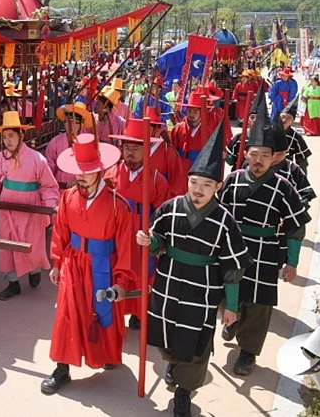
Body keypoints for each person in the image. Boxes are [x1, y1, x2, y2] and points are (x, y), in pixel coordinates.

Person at [137, 122, 250, 417]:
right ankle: (174, 364)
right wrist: (148, 242)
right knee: (167, 336)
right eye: (194, 182)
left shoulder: (226, 222)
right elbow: (158, 242)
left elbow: (233, 268)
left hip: (203, 291)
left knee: (196, 342)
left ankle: (184, 394)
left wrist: (232, 306)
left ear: (218, 187)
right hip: (168, 285)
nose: (198, 190)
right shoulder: (170, 208)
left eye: (206, 185)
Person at [218, 104, 309, 376]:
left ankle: (248, 352)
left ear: (274, 158)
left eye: (265, 156)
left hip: (266, 252)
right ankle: (232, 320)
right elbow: (219, 216)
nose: (258, 160)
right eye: (254, 154)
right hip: (233, 250)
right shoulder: (232, 181)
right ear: (245, 154)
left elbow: (295, 226)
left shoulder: (284, 186)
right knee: (228, 290)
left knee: (258, 304)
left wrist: (292, 263)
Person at [40, 133, 134, 395]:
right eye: (78, 171)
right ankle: (62, 368)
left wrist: (121, 280)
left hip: (104, 265)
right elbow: (60, 231)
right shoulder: (68, 196)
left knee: (103, 313)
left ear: (101, 171)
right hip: (73, 264)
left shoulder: (119, 205)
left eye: (88, 171)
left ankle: (106, 353)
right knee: (67, 315)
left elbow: (126, 247)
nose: (81, 176)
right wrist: (57, 262)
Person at [0, 111, 59, 298]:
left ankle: (34, 271)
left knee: (31, 242)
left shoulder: (37, 159)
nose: (8, 141)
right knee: (8, 244)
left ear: (21, 136)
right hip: (7, 205)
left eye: (12, 136)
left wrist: (51, 206)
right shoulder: (0, 158)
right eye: (5, 137)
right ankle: (12, 282)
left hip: (31, 206)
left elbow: (48, 186)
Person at [108, 117, 170, 330]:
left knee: (143, 273)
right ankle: (119, 310)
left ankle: (140, 313)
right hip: (117, 233)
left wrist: (155, 237)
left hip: (142, 233)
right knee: (118, 271)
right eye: (127, 148)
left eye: (136, 148)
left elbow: (163, 213)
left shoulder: (156, 179)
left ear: (146, 150)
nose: (130, 152)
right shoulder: (112, 174)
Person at [45, 102, 93, 188]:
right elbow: (49, 165)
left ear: (81, 124)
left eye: (75, 122)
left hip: (81, 183)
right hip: (59, 183)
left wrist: (80, 180)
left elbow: (92, 167)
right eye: (68, 122)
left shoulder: (87, 142)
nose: (71, 126)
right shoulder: (55, 142)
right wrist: (50, 182)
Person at [146, 106, 188, 197]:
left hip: (161, 201)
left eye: (147, 129)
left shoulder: (169, 153)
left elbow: (177, 185)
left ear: (157, 130)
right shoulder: (139, 150)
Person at [170, 89, 210, 173]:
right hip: (179, 170)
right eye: (189, 111)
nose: (191, 115)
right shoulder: (177, 129)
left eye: (195, 112)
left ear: (201, 113)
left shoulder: (208, 132)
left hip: (198, 171)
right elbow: (171, 152)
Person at [281, 101, 311, 173]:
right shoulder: (269, 132)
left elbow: (302, 160)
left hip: (286, 170)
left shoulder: (296, 136)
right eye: (283, 117)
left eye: (289, 118)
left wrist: (302, 179)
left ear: (293, 121)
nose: (284, 120)